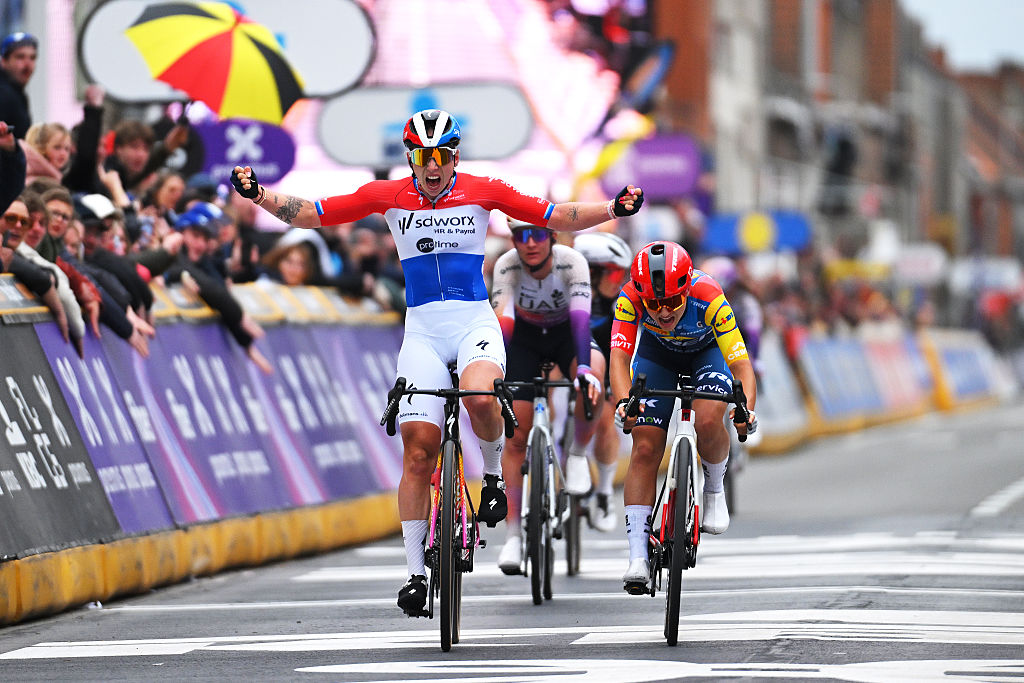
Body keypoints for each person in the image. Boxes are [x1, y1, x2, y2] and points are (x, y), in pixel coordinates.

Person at [229, 108, 644, 617]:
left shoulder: (483, 188)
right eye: (423, 156)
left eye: (442, 156)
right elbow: (314, 212)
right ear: (411, 157)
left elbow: (553, 216)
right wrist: (259, 196)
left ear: (454, 156)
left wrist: (612, 206)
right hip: (422, 331)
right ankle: (415, 574)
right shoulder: (386, 195)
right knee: (418, 451)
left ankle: (491, 476)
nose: (432, 166)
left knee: (480, 398)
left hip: (473, 323)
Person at [609, 241, 757, 592]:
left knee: (708, 419)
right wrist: (623, 402)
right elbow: (618, 358)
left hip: (707, 354)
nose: (662, 313)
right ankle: (637, 557)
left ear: (686, 289)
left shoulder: (708, 296)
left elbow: (741, 365)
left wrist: (746, 409)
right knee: (644, 447)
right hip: (657, 357)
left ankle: (714, 489)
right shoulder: (628, 299)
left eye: (672, 302)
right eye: (654, 304)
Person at [489, 218, 605, 573]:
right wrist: (497, 368)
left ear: (552, 237)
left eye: (537, 234)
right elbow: (503, 322)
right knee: (515, 436)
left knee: (594, 377)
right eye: (521, 236)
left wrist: (583, 369)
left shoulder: (572, 262)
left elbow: (581, 321)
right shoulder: (506, 264)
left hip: (565, 332)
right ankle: (512, 536)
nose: (530, 243)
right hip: (523, 339)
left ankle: (578, 454)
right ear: (514, 240)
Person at [570, 230, 634, 531]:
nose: (619, 280)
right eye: (615, 272)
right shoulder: (567, 293)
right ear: (591, 272)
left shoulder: (620, 302)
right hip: (569, 359)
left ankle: (605, 491)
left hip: (604, 363)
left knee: (606, 417)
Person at [0, 32, 37, 141]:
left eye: (32, 57)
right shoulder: (5, 94)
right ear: (3, 61)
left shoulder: (17, 93)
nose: (27, 64)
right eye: (20, 57)